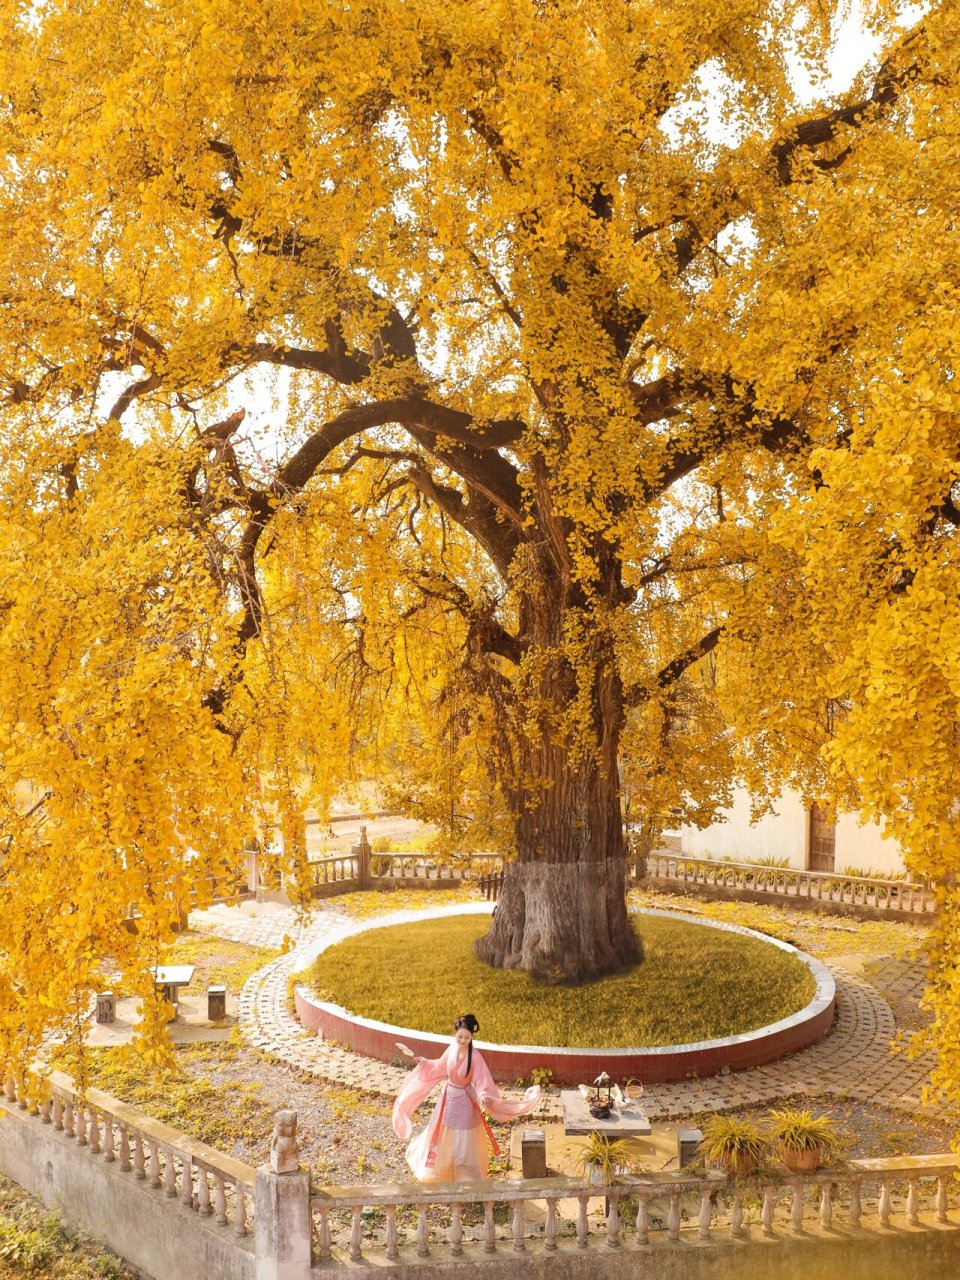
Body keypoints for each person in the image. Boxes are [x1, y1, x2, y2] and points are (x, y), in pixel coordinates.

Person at [392, 1013, 541, 1182]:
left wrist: (484, 1095)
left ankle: (465, 1174)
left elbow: (482, 1079)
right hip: (448, 1097)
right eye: (460, 1037)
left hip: (465, 1099)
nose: (463, 1041)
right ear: (455, 1034)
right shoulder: (451, 1048)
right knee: (444, 1131)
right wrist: (425, 1063)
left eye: (467, 1038)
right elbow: (440, 1066)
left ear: (472, 1037)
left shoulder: (475, 1057)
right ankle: (442, 1169)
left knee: (464, 1135)